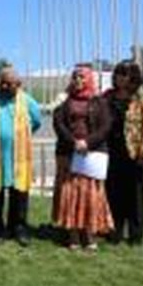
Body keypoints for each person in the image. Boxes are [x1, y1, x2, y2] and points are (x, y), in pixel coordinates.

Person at [0, 68, 42, 246]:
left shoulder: (28, 101)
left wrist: (20, 136)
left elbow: (36, 122)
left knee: (19, 194)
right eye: (1, 82)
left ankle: (18, 228)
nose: (3, 86)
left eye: (8, 83)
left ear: (19, 85)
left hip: (19, 158)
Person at [53, 65, 113, 251]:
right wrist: (74, 142)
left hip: (92, 155)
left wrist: (87, 142)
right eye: (75, 77)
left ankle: (89, 235)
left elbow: (106, 126)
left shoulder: (99, 102)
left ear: (89, 79)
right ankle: (73, 236)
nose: (78, 80)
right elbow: (59, 124)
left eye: (82, 77)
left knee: (90, 196)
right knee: (71, 195)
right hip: (70, 154)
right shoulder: (65, 102)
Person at [104, 60, 143, 246]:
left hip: (137, 154)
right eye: (118, 73)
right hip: (113, 153)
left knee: (136, 197)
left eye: (124, 73)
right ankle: (115, 232)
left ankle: (135, 236)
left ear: (133, 76)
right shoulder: (108, 96)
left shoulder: (142, 97)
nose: (120, 77)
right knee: (114, 194)